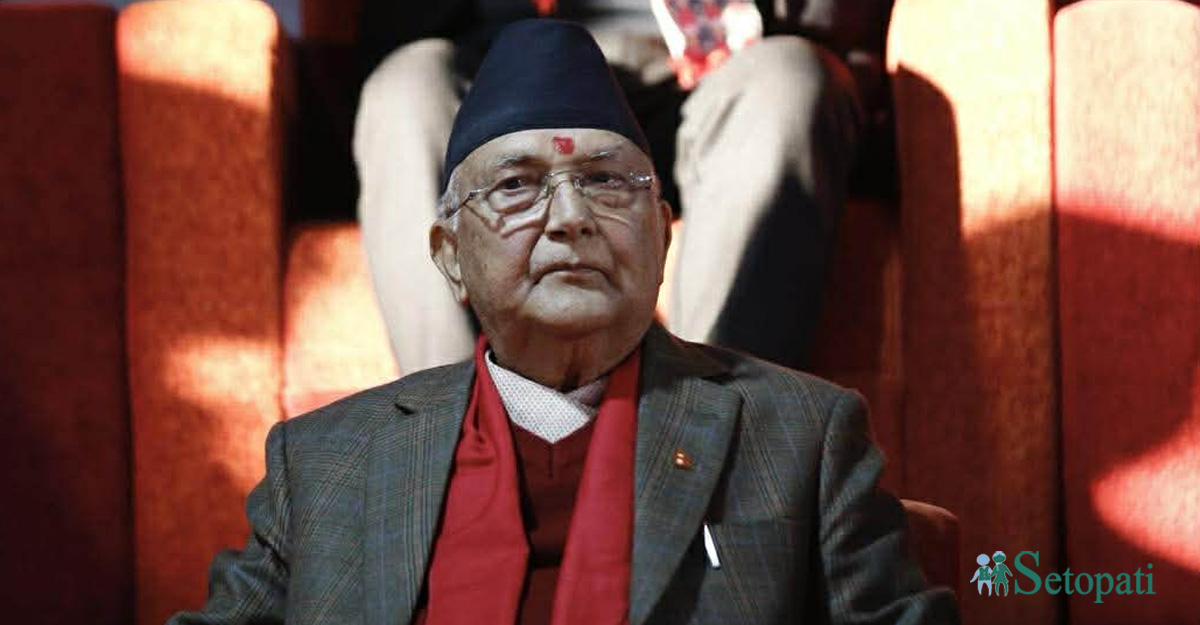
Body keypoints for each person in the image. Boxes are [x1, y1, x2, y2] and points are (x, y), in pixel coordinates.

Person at [169, 20, 956, 624]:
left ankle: (714, 434)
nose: (570, 217)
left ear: (661, 235)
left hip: (714, 62)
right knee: (405, 86)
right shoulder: (321, 466)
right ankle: (441, 435)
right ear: (448, 256)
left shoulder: (812, 437)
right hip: (480, 52)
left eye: (607, 185)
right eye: (518, 189)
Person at [354, 0, 876, 373]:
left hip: (710, 67)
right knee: (405, 91)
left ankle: (711, 446)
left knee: (786, 81)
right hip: (498, 67)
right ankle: (456, 453)